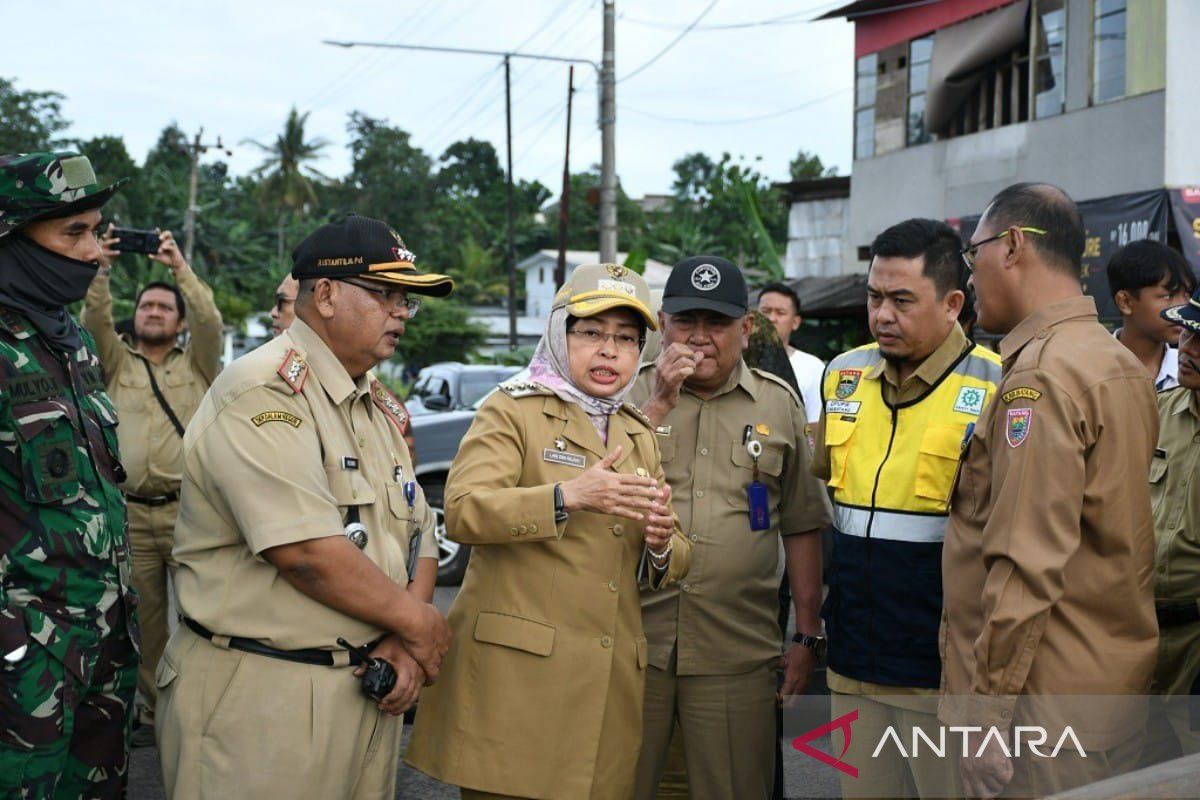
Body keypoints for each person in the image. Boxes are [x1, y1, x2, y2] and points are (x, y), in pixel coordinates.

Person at [155, 214, 451, 799]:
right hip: (264, 695)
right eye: (386, 294)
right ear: (326, 294)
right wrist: (422, 624)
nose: (401, 312)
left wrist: (405, 643)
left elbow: (417, 537)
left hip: (368, 686)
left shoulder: (380, 408)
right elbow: (307, 553)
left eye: (407, 300)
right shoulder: (262, 392)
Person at [407, 263, 690, 800]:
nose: (609, 351)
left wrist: (658, 545)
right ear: (560, 334)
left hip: (605, 687)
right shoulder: (511, 409)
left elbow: (675, 550)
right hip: (518, 685)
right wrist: (567, 497)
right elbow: (464, 511)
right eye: (592, 333)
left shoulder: (636, 429)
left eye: (626, 339)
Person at [941, 183, 1159, 798]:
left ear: (1011, 247)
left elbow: (1023, 563)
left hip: (1037, 717)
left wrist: (985, 720)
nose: (971, 272)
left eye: (972, 252)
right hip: (1102, 700)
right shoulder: (1111, 359)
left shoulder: (1040, 375)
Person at [630, 256, 831, 800]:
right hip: (630, 644)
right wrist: (656, 404)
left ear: (745, 330)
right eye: (684, 321)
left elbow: (802, 524)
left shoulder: (778, 402)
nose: (699, 338)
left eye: (715, 324)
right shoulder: (626, 395)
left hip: (736, 651)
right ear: (662, 324)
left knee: (736, 787)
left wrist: (807, 634)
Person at [814, 219, 1001, 798]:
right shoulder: (842, 374)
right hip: (850, 663)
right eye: (874, 297)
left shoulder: (999, 388)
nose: (881, 315)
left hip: (938, 674)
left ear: (952, 304)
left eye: (901, 300)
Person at [0, 151, 138, 798]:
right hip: (23, 659)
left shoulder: (71, 341)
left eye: (96, 230)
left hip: (102, 643)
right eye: (72, 233)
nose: (94, 251)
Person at [80, 224, 223, 744]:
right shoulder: (115, 360)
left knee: (199, 618)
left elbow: (210, 319)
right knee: (145, 622)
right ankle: (151, 715)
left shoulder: (201, 363)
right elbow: (94, 317)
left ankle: (195, 711)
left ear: (179, 322)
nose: (155, 312)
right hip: (132, 513)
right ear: (135, 317)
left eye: (165, 307)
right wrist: (103, 267)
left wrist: (177, 268)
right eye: (147, 307)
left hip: (192, 511)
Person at [1141, 286, 1200, 764]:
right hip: (1139, 634)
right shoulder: (1156, 412)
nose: (1186, 348)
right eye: (1185, 333)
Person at [1107, 239, 1196, 391]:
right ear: (1125, 302)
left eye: (1187, 295)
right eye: (1168, 296)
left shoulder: (1190, 370)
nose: (1182, 308)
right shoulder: (1094, 369)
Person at [757, 281, 823, 426]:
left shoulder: (812, 367)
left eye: (780, 313)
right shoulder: (735, 360)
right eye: (765, 311)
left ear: (795, 322)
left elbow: (814, 425)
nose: (771, 319)